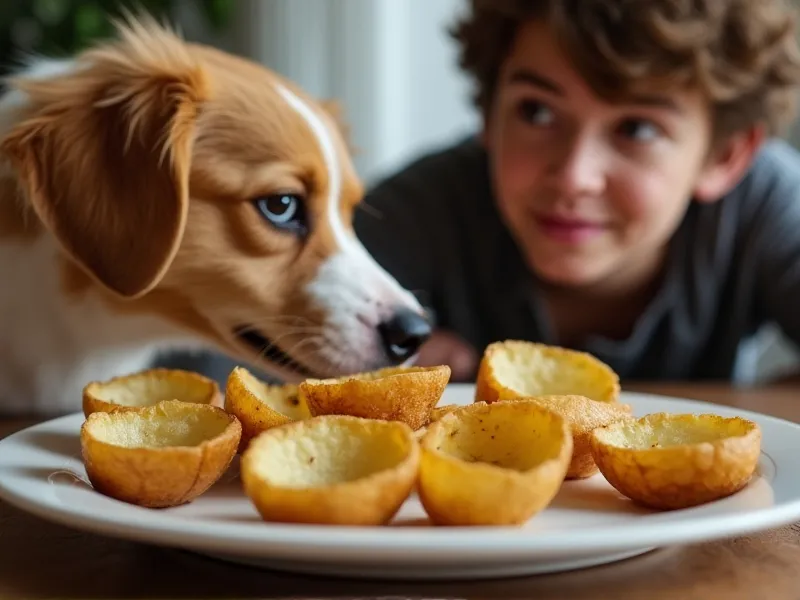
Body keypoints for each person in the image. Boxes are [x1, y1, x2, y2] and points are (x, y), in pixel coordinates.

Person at [354, 0, 800, 384]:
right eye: (536, 111)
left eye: (637, 129)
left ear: (724, 156)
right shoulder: (421, 208)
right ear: (488, 115)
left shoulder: (767, 204)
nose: (574, 177)